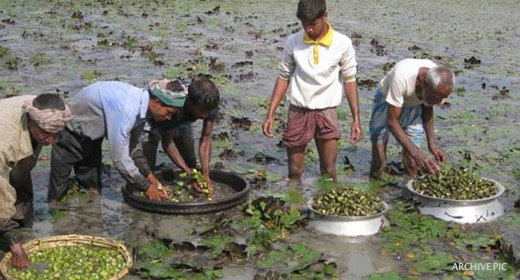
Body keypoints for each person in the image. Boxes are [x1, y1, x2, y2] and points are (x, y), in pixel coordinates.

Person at [262, 0, 362, 181]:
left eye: (313, 24)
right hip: (299, 109)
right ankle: (296, 203)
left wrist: (356, 119)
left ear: (325, 16)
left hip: (327, 111)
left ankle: (325, 207)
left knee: (329, 170)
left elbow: (350, 80)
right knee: (294, 170)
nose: (308, 29)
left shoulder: (342, 43)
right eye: (305, 24)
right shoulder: (293, 42)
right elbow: (284, 76)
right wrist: (270, 114)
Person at [47, 80, 182, 205]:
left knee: (93, 188)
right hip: (70, 133)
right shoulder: (127, 111)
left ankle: (91, 218)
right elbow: (119, 159)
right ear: (157, 102)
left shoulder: (143, 108)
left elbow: (133, 147)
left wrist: (150, 176)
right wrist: (146, 187)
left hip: (93, 135)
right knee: (57, 192)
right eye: (168, 112)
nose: (168, 117)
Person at [0, 94, 71, 269]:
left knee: (22, 175)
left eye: (56, 135)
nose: (51, 141)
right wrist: (13, 244)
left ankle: (21, 226)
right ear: (31, 123)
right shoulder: (5, 142)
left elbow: (21, 172)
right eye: (47, 134)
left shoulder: (44, 111)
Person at [368, 58, 455, 179]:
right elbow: (392, 122)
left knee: (412, 163)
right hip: (387, 100)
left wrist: (432, 145)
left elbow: (428, 107)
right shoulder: (402, 77)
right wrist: (418, 154)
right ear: (425, 84)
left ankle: (408, 192)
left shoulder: (437, 84)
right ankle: (375, 188)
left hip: (414, 104)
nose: (440, 103)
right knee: (380, 159)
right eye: (437, 97)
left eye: (443, 98)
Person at [137, 77, 220, 194]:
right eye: (201, 111)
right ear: (190, 103)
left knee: (190, 161)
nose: (205, 115)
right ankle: (149, 187)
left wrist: (205, 174)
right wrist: (189, 173)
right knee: (148, 164)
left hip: (183, 117)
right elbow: (168, 143)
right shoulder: (174, 104)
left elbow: (206, 138)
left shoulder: (209, 103)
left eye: (208, 111)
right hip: (155, 117)